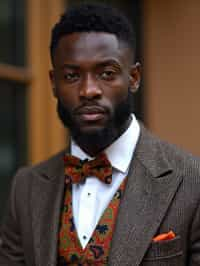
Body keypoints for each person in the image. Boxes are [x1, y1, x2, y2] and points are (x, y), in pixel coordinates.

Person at [0, 3, 200, 266]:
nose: (88, 90)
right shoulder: (26, 187)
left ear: (134, 77)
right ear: (54, 84)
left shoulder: (192, 181)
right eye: (71, 75)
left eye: (107, 73)